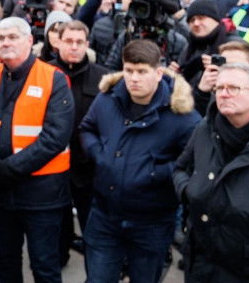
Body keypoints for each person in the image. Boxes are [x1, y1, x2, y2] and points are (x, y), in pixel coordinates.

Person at [78, 40, 198, 283]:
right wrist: (99, 155)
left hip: (151, 222)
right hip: (104, 215)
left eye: (142, 72)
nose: (134, 78)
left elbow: (192, 162)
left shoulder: (183, 116)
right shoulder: (107, 99)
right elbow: (87, 128)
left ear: (158, 73)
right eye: (129, 70)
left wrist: (154, 173)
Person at [0, 17, 74, 283]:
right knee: (6, 260)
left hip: (42, 194)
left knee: (44, 264)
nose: (6, 42)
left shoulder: (54, 79)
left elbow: (55, 137)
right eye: (1, 38)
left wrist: (10, 169)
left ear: (29, 41)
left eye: (13, 37)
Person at [174, 63, 249, 282]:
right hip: (202, 262)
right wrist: (189, 190)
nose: (224, 94)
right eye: (219, 89)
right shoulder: (206, 128)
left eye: (233, 88)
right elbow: (181, 168)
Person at [47, 20, 107, 264]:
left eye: (79, 42)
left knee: (92, 225)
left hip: (88, 166)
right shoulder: (44, 73)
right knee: (55, 224)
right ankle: (58, 258)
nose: (74, 47)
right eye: (68, 41)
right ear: (58, 42)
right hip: (51, 164)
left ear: (87, 44)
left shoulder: (103, 77)